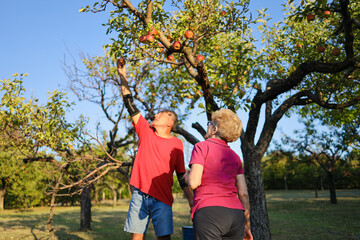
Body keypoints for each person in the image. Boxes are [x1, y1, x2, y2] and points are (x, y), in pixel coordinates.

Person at [116, 59, 193, 240]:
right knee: (137, 237)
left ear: (170, 122)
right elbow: (129, 103)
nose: (156, 114)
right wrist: (123, 75)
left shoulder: (177, 144)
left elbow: (181, 175)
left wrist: (190, 199)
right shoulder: (145, 131)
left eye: (162, 114)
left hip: (163, 198)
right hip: (140, 194)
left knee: (164, 238)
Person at [185, 109, 253, 240]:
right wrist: (247, 226)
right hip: (236, 216)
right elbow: (243, 193)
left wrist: (187, 177)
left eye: (209, 123)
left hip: (209, 214)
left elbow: (194, 182)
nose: (208, 126)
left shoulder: (201, 147)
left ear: (214, 129)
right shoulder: (236, 157)